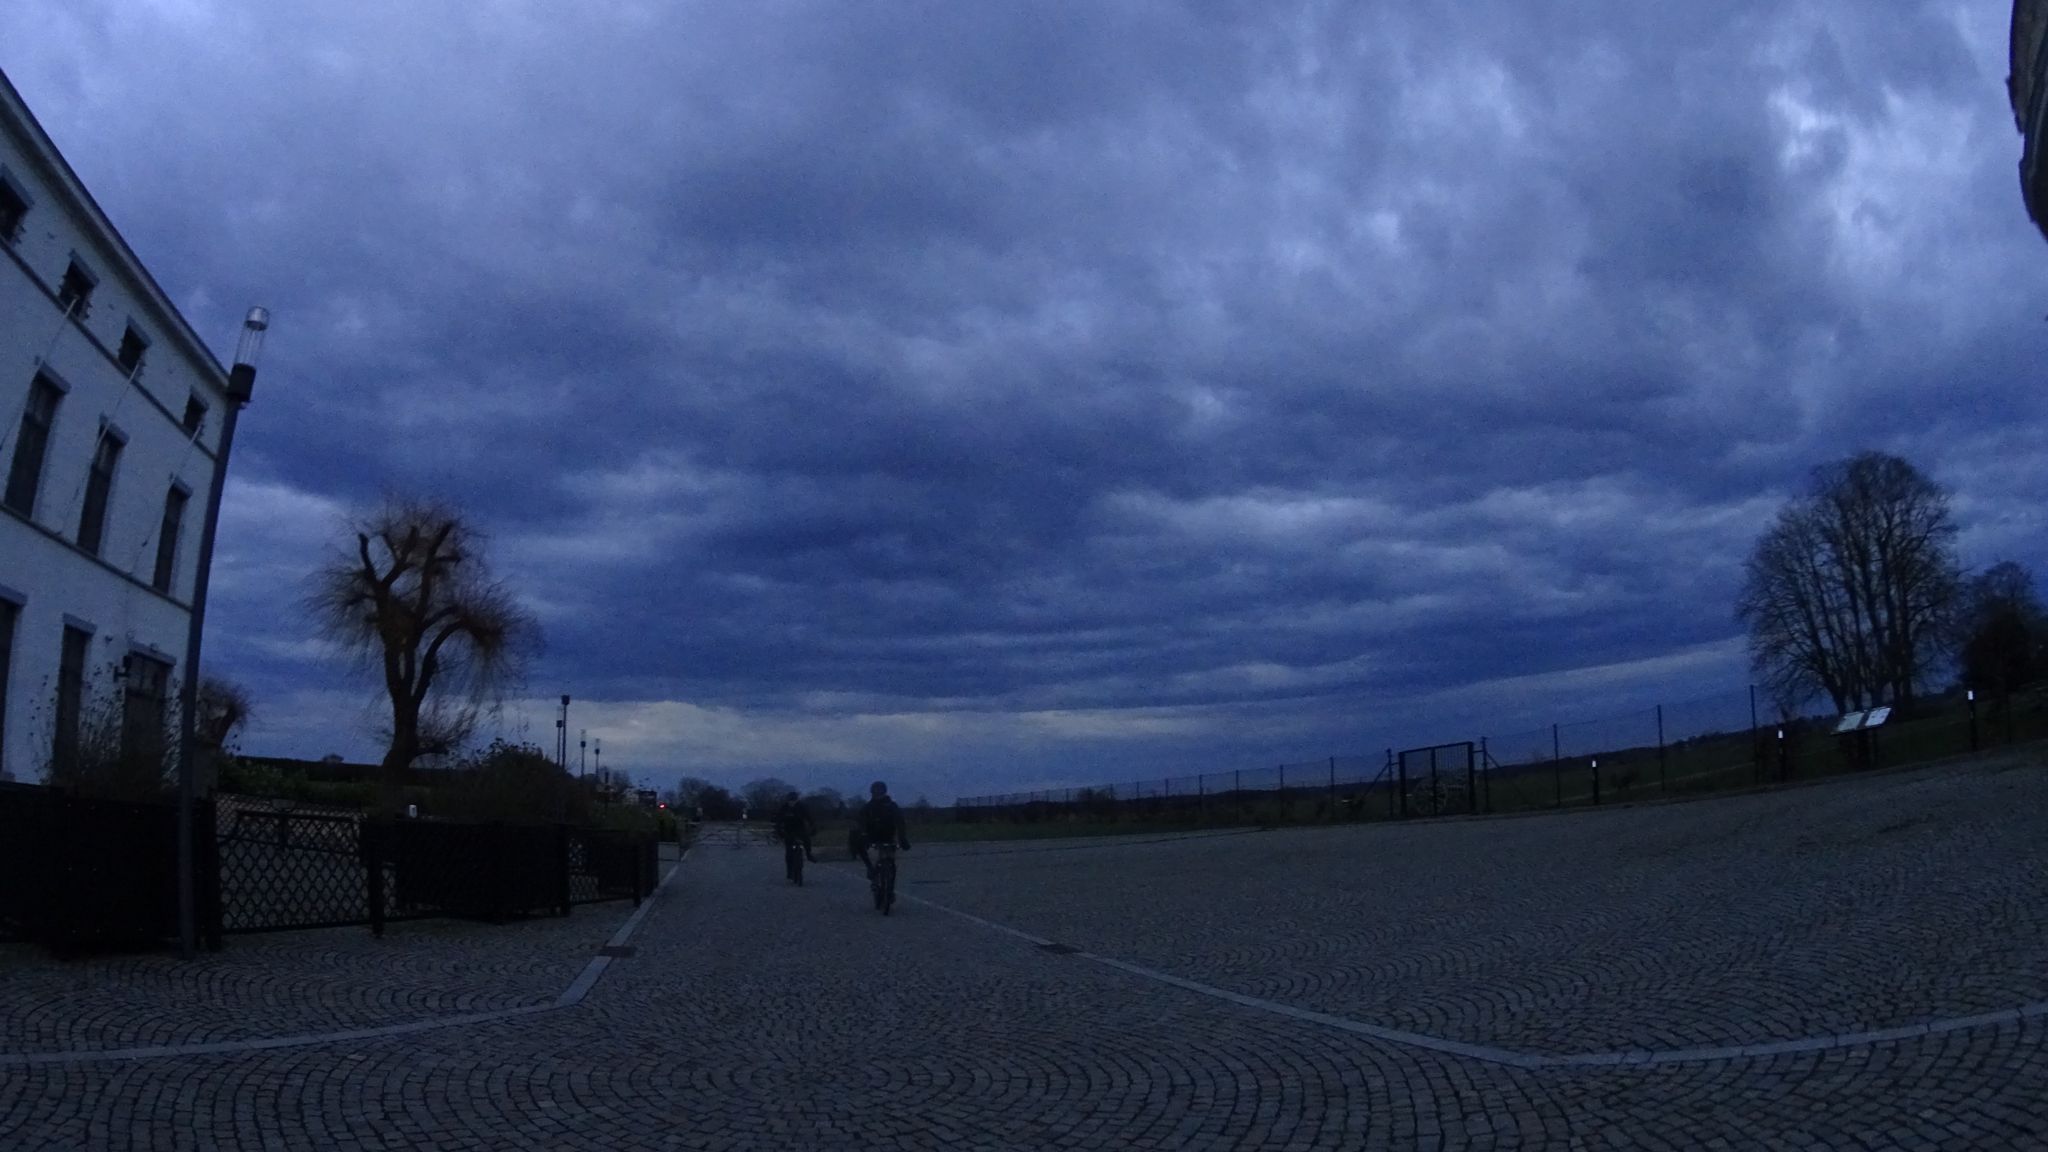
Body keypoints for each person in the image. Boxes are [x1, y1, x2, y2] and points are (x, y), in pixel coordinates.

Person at [855, 780, 910, 879]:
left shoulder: (891, 805)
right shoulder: (868, 807)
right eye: (876, 792)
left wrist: (902, 838)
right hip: (872, 835)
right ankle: (870, 867)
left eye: (880, 792)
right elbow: (861, 821)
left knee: (890, 858)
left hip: (888, 835)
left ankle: (888, 876)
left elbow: (900, 821)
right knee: (859, 844)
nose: (878, 794)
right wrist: (863, 834)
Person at [774, 792, 816, 863]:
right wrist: (779, 830)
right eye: (790, 800)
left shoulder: (802, 807)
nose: (792, 802)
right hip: (788, 829)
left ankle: (809, 855)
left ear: (797, 800)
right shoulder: (784, 808)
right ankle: (789, 866)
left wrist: (813, 827)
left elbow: (809, 817)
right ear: (788, 800)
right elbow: (779, 820)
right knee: (788, 848)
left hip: (800, 828)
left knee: (807, 840)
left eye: (794, 800)